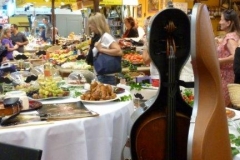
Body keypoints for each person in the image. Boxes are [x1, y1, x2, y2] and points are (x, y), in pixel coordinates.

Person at [86, 12, 122, 85]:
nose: (89, 26)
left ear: (97, 24)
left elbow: (118, 51)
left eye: (91, 23)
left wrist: (101, 49)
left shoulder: (106, 36)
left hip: (106, 77)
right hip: (100, 75)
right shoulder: (98, 37)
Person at [217, 9, 240, 106]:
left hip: (227, 77)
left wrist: (218, 61)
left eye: (221, 19)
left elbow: (236, 56)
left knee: (223, 107)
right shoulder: (232, 35)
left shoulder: (230, 38)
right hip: (225, 76)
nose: (219, 22)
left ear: (228, 22)